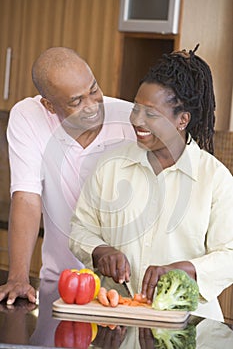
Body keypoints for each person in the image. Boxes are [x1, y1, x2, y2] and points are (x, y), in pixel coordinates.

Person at [70, 45, 233, 321]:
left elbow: (230, 255)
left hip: (189, 325)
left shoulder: (215, 179)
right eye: (136, 108)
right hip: (117, 319)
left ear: (182, 120)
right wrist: (99, 250)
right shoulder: (111, 166)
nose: (137, 120)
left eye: (151, 114)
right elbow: (79, 229)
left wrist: (187, 269)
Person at [0, 47, 135, 305]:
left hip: (124, 291)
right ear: (49, 105)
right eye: (76, 101)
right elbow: (26, 197)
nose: (92, 106)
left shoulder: (130, 121)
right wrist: (18, 277)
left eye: (94, 90)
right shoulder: (28, 117)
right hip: (62, 285)